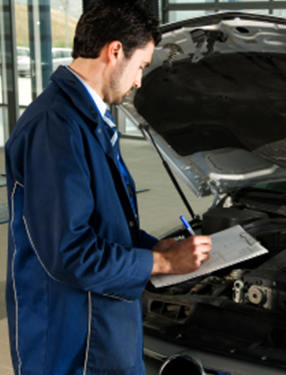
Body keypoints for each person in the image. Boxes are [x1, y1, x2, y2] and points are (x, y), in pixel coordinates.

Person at [4, 1, 212, 374]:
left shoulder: (86, 117)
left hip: (101, 326)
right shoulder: (55, 127)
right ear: (115, 51)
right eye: (141, 66)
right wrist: (161, 262)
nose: (139, 81)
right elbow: (70, 252)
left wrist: (152, 246)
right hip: (72, 341)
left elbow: (102, 221)